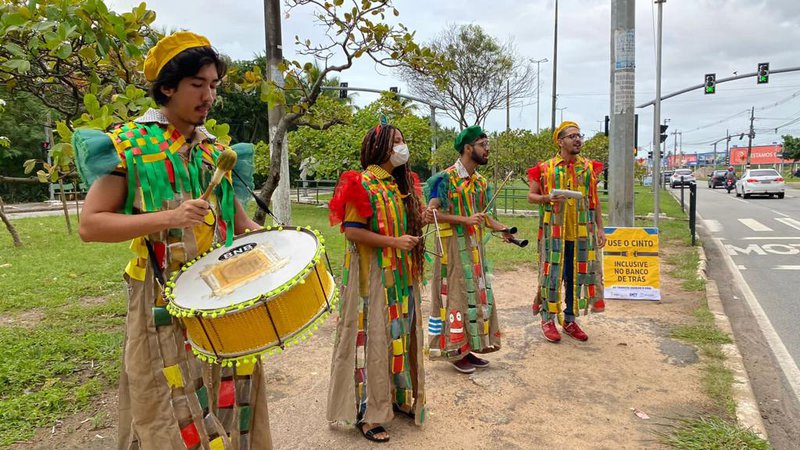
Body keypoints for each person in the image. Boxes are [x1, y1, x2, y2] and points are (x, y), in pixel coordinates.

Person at [74, 32, 272, 449]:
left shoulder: (215, 151)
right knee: (168, 393)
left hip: (223, 290)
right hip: (160, 299)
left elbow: (236, 222)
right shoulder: (128, 146)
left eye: (214, 86)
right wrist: (168, 217)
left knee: (227, 387)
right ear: (168, 87)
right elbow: (91, 225)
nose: (209, 96)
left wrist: (275, 244)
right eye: (198, 85)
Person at [327, 123, 428, 443]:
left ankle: (396, 399)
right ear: (381, 147)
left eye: (403, 140)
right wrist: (394, 242)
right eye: (397, 142)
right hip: (371, 280)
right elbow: (352, 231)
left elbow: (402, 223)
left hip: (400, 278)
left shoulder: (402, 185)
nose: (403, 146)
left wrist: (419, 218)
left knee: (398, 338)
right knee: (372, 343)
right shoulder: (360, 183)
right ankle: (368, 414)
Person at [424, 125, 513, 374]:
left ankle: (468, 347)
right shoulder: (444, 179)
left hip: (474, 253)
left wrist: (503, 229)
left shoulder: (481, 183)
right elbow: (429, 214)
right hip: (451, 251)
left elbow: (485, 217)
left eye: (487, 145)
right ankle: (454, 351)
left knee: (474, 299)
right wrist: (464, 220)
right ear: (467, 148)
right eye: (483, 145)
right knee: (454, 297)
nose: (487, 150)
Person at [527, 121, 606, 343]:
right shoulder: (545, 168)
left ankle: (570, 320)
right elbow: (531, 196)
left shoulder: (588, 168)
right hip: (554, 235)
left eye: (579, 135)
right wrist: (546, 198)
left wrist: (600, 228)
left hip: (581, 235)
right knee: (552, 277)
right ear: (560, 142)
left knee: (577, 277)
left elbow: (594, 201)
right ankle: (548, 319)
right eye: (572, 136)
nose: (578, 139)